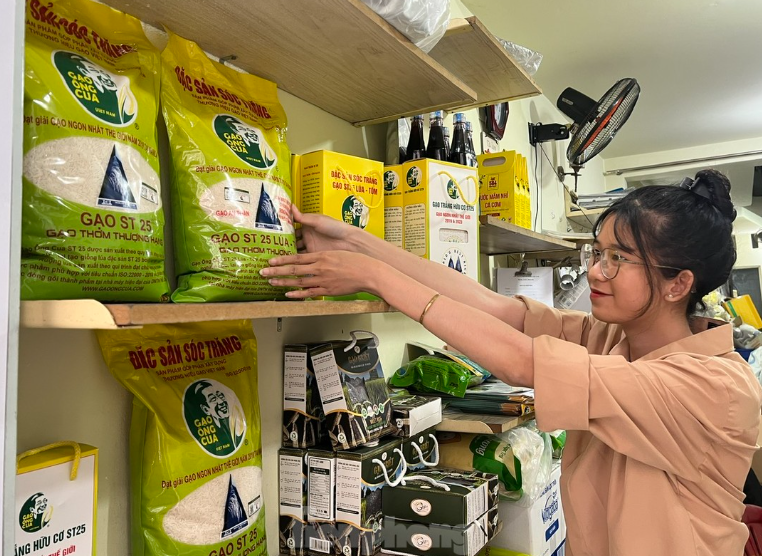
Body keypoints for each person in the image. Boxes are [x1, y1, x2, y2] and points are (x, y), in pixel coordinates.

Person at [263, 168, 762, 556]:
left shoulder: (712, 386)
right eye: (598, 252)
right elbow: (496, 310)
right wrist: (360, 243)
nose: (596, 271)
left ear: (679, 283)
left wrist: (376, 278)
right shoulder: (617, 338)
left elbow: (524, 362)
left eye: (618, 259)